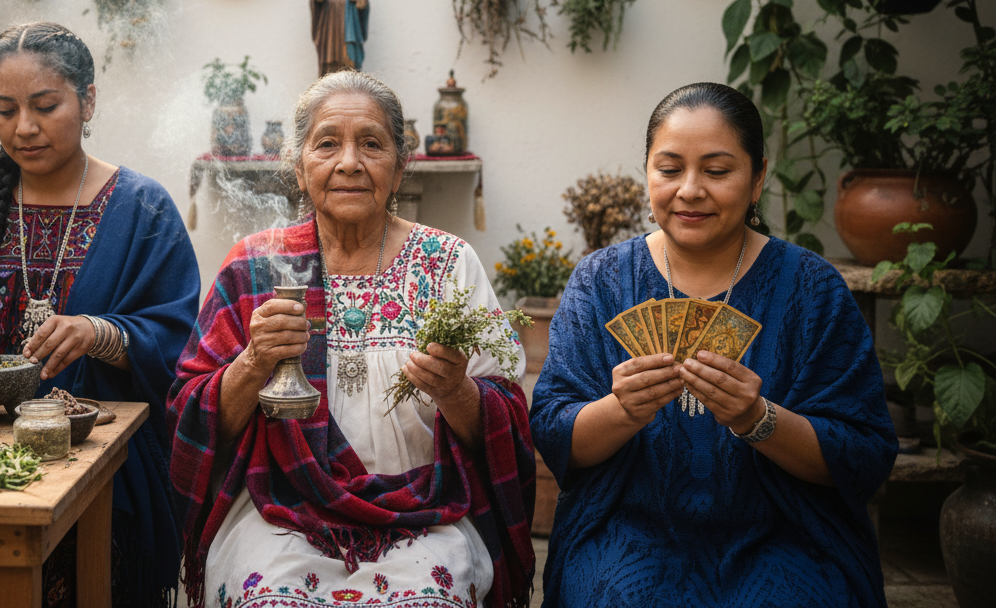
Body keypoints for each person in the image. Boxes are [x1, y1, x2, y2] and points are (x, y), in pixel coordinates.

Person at [168, 71, 536, 608]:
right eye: (327, 144)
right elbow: (191, 418)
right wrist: (252, 363)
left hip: (426, 513)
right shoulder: (255, 265)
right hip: (281, 514)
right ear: (298, 166)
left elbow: (507, 414)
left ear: (400, 163)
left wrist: (457, 391)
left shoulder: (447, 263)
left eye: (371, 144)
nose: (349, 163)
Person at [530, 83, 897, 607]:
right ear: (648, 174)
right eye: (670, 168)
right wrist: (620, 411)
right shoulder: (601, 281)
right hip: (629, 527)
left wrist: (759, 419)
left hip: (784, 528)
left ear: (757, 177)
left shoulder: (812, 288)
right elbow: (552, 433)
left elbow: (863, 454)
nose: (690, 190)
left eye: (718, 171)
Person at [0, 22, 200, 608]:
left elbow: (177, 342)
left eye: (45, 106)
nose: (23, 128)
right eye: (5, 109)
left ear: (88, 99)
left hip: (95, 463)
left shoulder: (142, 207)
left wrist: (99, 333)